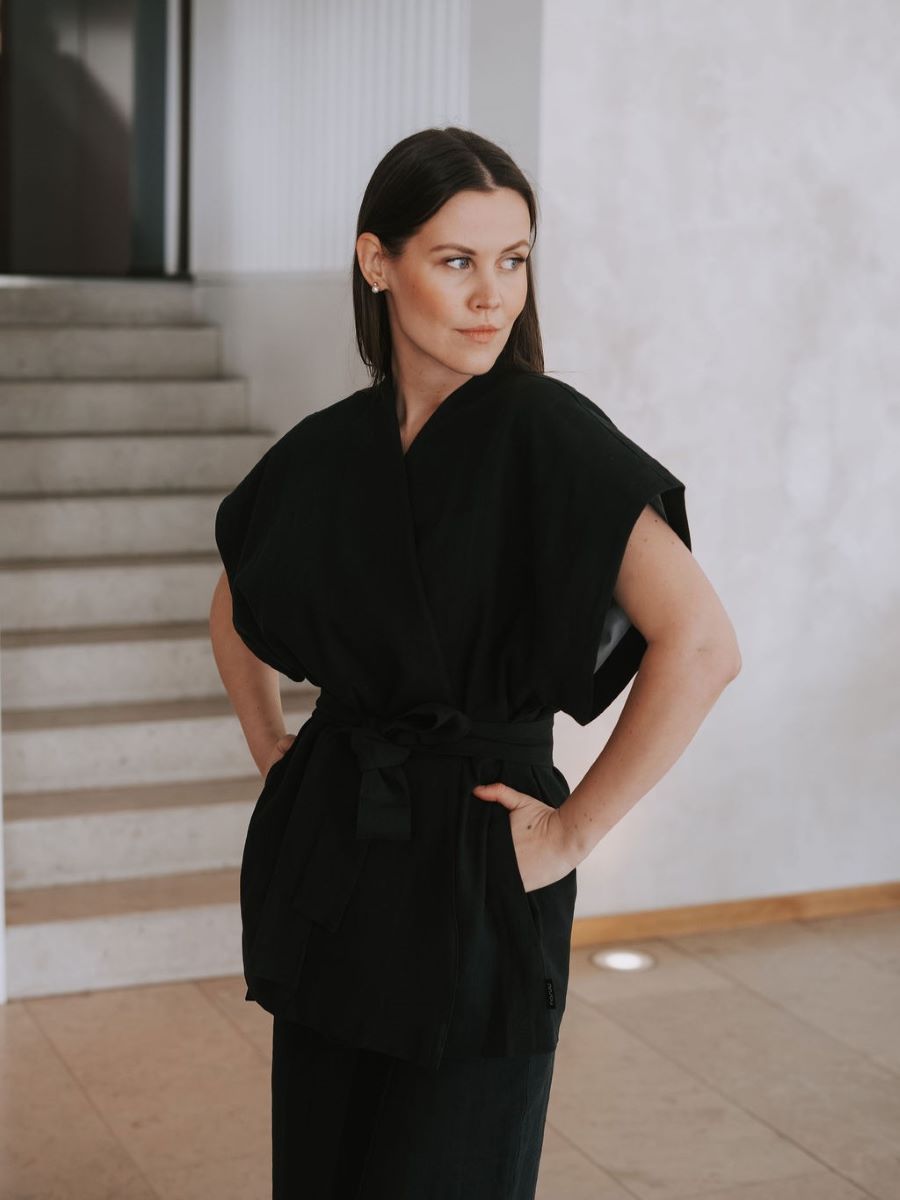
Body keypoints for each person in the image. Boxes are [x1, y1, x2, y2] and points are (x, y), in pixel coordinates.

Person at [209, 126, 741, 1200]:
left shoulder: (548, 432)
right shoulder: (329, 447)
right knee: (322, 1164)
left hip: (478, 852)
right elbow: (233, 605)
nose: (493, 294)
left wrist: (574, 831)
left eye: (514, 260)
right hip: (338, 850)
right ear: (378, 262)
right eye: (457, 260)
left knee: (455, 1168)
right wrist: (277, 751)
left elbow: (703, 643)